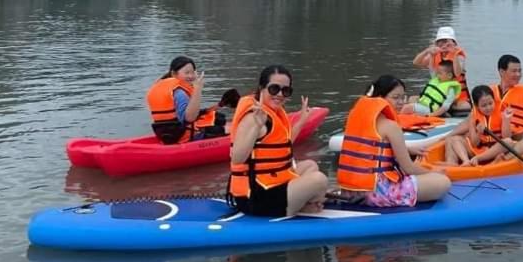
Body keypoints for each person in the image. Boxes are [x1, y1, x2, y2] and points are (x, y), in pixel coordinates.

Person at [227, 65, 328, 217]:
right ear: (262, 88)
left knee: (310, 165)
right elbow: (237, 158)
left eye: (285, 90)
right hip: (256, 196)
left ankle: (303, 203)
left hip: (272, 183)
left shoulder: (274, 113)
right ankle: (301, 207)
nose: (280, 94)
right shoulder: (253, 117)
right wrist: (256, 126)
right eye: (274, 89)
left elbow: (283, 145)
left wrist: (301, 121)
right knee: (319, 180)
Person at [337, 75, 452, 207]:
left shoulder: (357, 120)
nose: (401, 102)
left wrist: (407, 149)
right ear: (380, 97)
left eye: (403, 97)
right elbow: (409, 168)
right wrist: (433, 173)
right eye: (395, 97)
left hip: (351, 192)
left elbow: (370, 149)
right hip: (377, 193)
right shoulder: (390, 126)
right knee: (442, 182)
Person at [443, 85, 523, 165]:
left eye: (490, 103)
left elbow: (507, 136)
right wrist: (478, 133)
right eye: (484, 105)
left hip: (497, 149)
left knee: (508, 142)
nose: (488, 107)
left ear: (494, 100)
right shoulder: (473, 117)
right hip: (480, 149)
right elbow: (474, 143)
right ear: (477, 106)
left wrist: (506, 120)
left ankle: (478, 159)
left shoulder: (502, 111)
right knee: (453, 139)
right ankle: (465, 161)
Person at [146, 56, 233, 144]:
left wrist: (218, 106)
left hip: (167, 135)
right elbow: (189, 118)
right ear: (174, 74)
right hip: (184, 137)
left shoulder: (162, 88)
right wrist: (198, 89)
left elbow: (181, 116)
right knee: (218, 126)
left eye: (192, 72)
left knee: (218, 117)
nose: (191, 76)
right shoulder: (180, 93)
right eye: (187, 73)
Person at [411, 26, 470, 114]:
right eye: (440, 42)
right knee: (412, 99)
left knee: (465, 106)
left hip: (455, 96)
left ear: (454, 43)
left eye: (446, 42)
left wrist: (454, 53)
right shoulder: (435, 55)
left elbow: (457, 73)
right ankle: (438, 109)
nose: (444, 45)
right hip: (438, 94)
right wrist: (427, 51)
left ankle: (441, 110)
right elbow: (416, 62)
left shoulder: (459, 56)